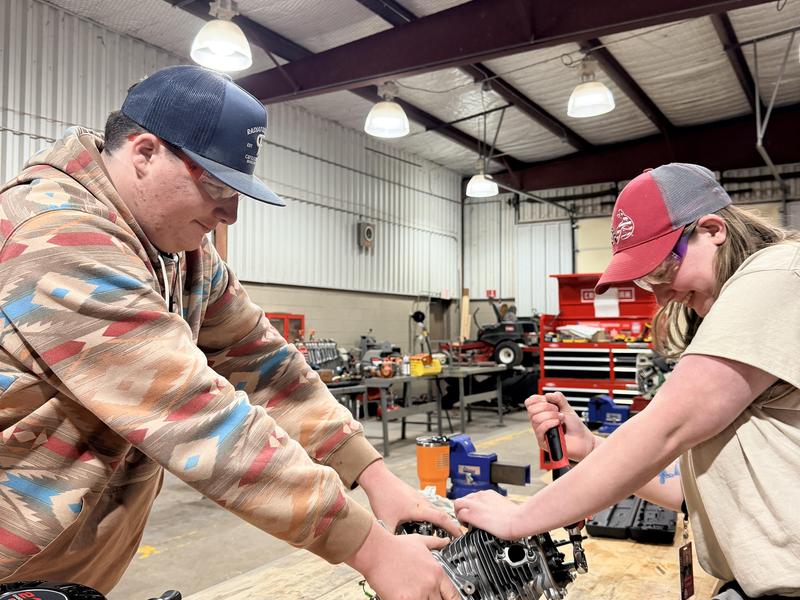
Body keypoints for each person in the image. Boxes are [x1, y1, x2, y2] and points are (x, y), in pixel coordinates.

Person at [0, 65, 460, 600]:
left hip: (65, 571)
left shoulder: (180, 250)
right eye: (216, 186)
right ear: (145, 153)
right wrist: (373, 551)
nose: (231, 214)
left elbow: (261, 360)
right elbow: (196, 415)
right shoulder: (56, 236)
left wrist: (377, 478)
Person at [454, 163, 800, 599]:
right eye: (645, 280)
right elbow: (693, 494)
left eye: (662, 271)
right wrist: (593, 448)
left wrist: (518, 520)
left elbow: (664, 430)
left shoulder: (778, 273)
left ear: (712, 229)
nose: (661, 295)